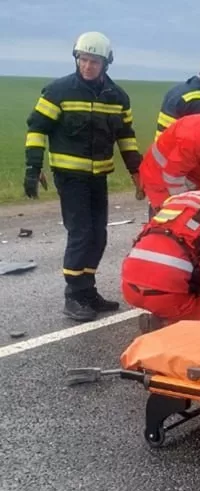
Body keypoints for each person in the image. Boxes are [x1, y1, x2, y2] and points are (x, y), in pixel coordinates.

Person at [23, 31, 143, 322]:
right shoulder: (58, 91)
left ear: (106, 64)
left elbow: (126, 138)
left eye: (94, 61)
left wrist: (137, 173)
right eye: (83, 59)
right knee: (81, 234)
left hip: (98, 176)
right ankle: (74, 294)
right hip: (69, 177)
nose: (87, 66)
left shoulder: (117, 97)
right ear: (76, 59)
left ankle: (87, 291)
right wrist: (32, 167)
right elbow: (37, 129)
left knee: (98, 235)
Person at [121, 175, 200, 330]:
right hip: (168, 294)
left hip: (130, 286)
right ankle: (164, 325)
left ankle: (164, 317)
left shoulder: (176, 204)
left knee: (190, 277)